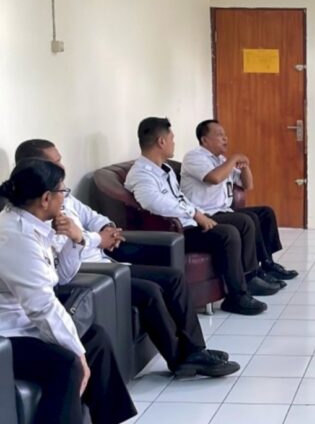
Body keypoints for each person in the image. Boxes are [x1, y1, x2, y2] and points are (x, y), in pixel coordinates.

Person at [14, 139, 240, 378]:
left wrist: (108, 229)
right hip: (88, 271)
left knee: (173, 278)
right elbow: (59, 259)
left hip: (105, 261)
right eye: (55, 162)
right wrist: (97, 239)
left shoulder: (62, 195)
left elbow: (91, 216)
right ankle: (180, 359)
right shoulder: (36, 213)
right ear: (36, 168)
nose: (62, 166)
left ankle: (195, 350)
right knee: (150, 291)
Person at [0, 158, 137, 424]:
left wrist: (77, 239)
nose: (65, 197)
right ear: (46, 198)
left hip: (24, 322)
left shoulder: (35, 224)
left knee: (96, 338)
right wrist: (79, 355)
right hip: (8, 332)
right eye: (63, 191)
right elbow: (42, 306)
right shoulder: (14, 236)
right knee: (67, 363)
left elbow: (61, 277)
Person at [124, 117, 268, 315]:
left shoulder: (164, 169)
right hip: (172, 232)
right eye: (172, 139)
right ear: (161, 142)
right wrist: (195, 213)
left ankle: (244, 286)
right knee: (228, 234)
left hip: (187, 223)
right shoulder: (141, 173)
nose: (174, 143)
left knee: (231, 230)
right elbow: (154, 203)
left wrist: (196, 213)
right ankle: (236, 297)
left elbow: (180, 198)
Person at [180, 119, 299, 285]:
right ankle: (250, 275)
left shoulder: (221, 160)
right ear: (204, 140)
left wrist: (245, 166)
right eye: (219, 135)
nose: (225, 138)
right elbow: (214, 178)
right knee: (246, 220)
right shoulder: (194, 157)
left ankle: (267, 264)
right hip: (204, 214)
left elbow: (247, 185)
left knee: (265, 213)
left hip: (222, 211)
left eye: (225, 135)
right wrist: (234, 158)